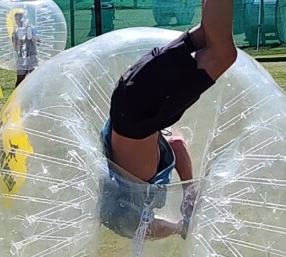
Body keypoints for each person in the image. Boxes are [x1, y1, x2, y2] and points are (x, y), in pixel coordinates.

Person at [100, 0, 237, 240]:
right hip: (129, 94)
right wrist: (189, 190)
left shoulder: (138, 182)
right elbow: (176, 142)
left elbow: (145, 231)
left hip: (140, 109)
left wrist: (180, 227)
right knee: (208, 36)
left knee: (222, 53)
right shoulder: (128, 161)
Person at [12, 10, 39, 87]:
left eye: (20, 19)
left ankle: (34, 96)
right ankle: (18, 97)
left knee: (33, 79)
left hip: (32, 56)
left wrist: (30, 36)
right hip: (21, 58)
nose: (18, 21)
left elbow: (38, 42)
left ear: (24, 19)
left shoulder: (31, 28)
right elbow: (16, 48)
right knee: (20, 79)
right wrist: (19, 40)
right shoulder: (15, 32)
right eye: (16, 19)